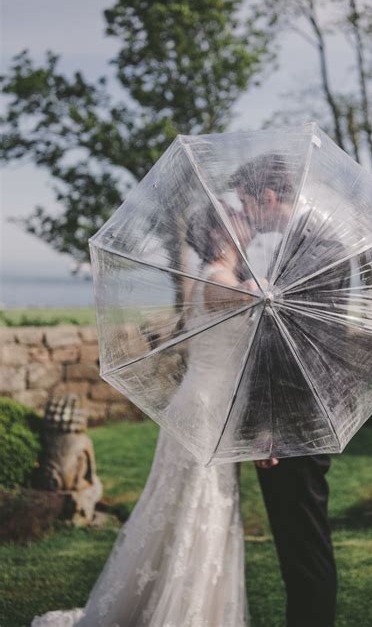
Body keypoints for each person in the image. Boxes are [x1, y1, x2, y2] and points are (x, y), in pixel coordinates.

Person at [31, 202, 260, 627]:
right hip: (205, 411)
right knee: (198, 506)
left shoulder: (212, 279)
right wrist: (268, 283)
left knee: (195, 508)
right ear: (220, 235)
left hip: (210, 407)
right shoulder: (218, 281)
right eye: (239, 220)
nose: (249, 226)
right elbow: (252, 296)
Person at [229, 153, 351, 627]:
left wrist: (267, 426)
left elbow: (289, 349)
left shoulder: (316, 247)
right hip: (297, 416)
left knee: (303, 544)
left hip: (295, 418)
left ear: (268, 196)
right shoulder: (302, 241)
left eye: (246, 202)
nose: (247, 213)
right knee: (297, 542)